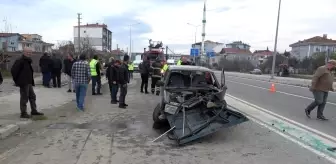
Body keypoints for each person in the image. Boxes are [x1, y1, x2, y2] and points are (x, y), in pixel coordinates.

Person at [11, 48, 44, 118]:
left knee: (32, 96)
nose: (29, 53)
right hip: (23, 82)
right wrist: (17, 81)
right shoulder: (20, 60)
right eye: (28, 52)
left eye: (30, 52)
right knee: (24, 98)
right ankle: (23, 113)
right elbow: (13, 71)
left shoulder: (28, 61)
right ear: (24, 52)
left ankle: (34, 111)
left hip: (29, 82)